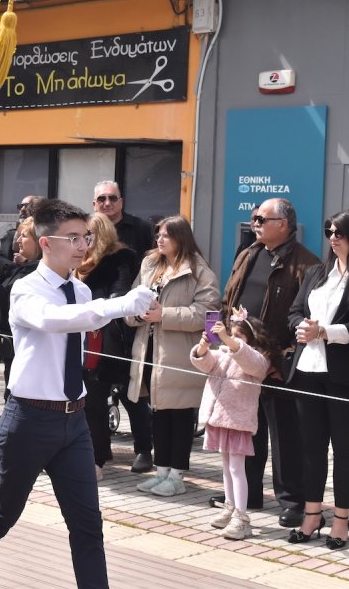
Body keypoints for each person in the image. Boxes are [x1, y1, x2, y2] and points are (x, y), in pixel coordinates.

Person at [0, 199, 155, 589]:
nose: (83, 245)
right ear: (46, 243)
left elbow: (82, 317)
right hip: (29, 421)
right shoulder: (26, 289)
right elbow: (54, 321)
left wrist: (130, 308)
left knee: (87, 527)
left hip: (74, 421)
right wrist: (118, 305)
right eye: (73, 238)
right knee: (1, 515)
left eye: (86, 237)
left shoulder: (80, 290)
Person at [221, 197, 319, 526]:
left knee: (286, 435)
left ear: (284, 225)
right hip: (242, 359)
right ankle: (245, 495)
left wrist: (283, 359)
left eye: (262, 219)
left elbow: (307, 318)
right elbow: (229, 298)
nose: (256, 224)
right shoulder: (248, 254)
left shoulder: (308, 265)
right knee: (248, 429)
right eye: (254, 218)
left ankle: (292, 501)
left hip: (278, 364)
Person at [286, 209, 349, 549]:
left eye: (340, 232)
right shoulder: (317, 272)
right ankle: (313, 513)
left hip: (347, 378)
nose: (332, 237)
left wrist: (327, 332)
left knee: (344, 448)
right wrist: (300, 327)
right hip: (308, 372)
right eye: (329, 231)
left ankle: (342, 518)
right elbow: (294, 311)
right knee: (311, 447)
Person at [127, 215, 221, 497]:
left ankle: (177, 475)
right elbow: (133, 298)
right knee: (158, 413)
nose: (160, 239)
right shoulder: (150, 264)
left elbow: (207, 312)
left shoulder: (199, 271)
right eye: (158, 234)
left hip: (179, 354)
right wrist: (137, 314)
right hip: (149, 350)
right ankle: (161, 471)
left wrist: (163, 315)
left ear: (181, 237)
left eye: (166, 235)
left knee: (179, 417)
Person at [190, 309, 271, 540]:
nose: (231, 339)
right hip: (220, 418)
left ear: (250, 340)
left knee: (237, 468)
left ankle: (242, 517)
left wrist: (227, 339)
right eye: (230, 333)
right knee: (226, 467)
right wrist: (203, 347)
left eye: (238, 335)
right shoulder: (223, 354)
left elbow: (251, 362)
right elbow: (205, 363)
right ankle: (230, 506)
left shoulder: (256, 359)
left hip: (238, 421)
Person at [75, 212, 140, 479]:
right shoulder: (78, 261)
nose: (83, 241)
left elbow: (120, 294)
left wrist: (95, 310)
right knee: (85, 400)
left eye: (87, 235)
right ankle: (92, 452)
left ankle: (103, 457)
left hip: (107, 339)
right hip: (80, 336)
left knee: (108, 400)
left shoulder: (118, 258)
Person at [0, 216, 39, 428]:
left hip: (21, 341)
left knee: (18, 383)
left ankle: (16, 422)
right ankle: (8, 415)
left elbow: (3, 298)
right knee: (9, 379)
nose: (18, 240)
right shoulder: (21, 266)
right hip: (6, 336)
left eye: (24, 236)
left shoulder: (35, 272)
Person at [92, 180, 153, 267]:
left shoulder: (143, 228)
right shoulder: (85, 230)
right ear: (94, 205)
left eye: (113, 198)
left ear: (121, 202)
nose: (107, 203)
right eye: (101, 199)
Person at [0, 195, 43, 271]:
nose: (22, 209)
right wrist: (16, 268)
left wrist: (27, 262)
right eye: (20, 206)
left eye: (27, 206)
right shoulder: (11, 236)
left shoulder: (45, 236)